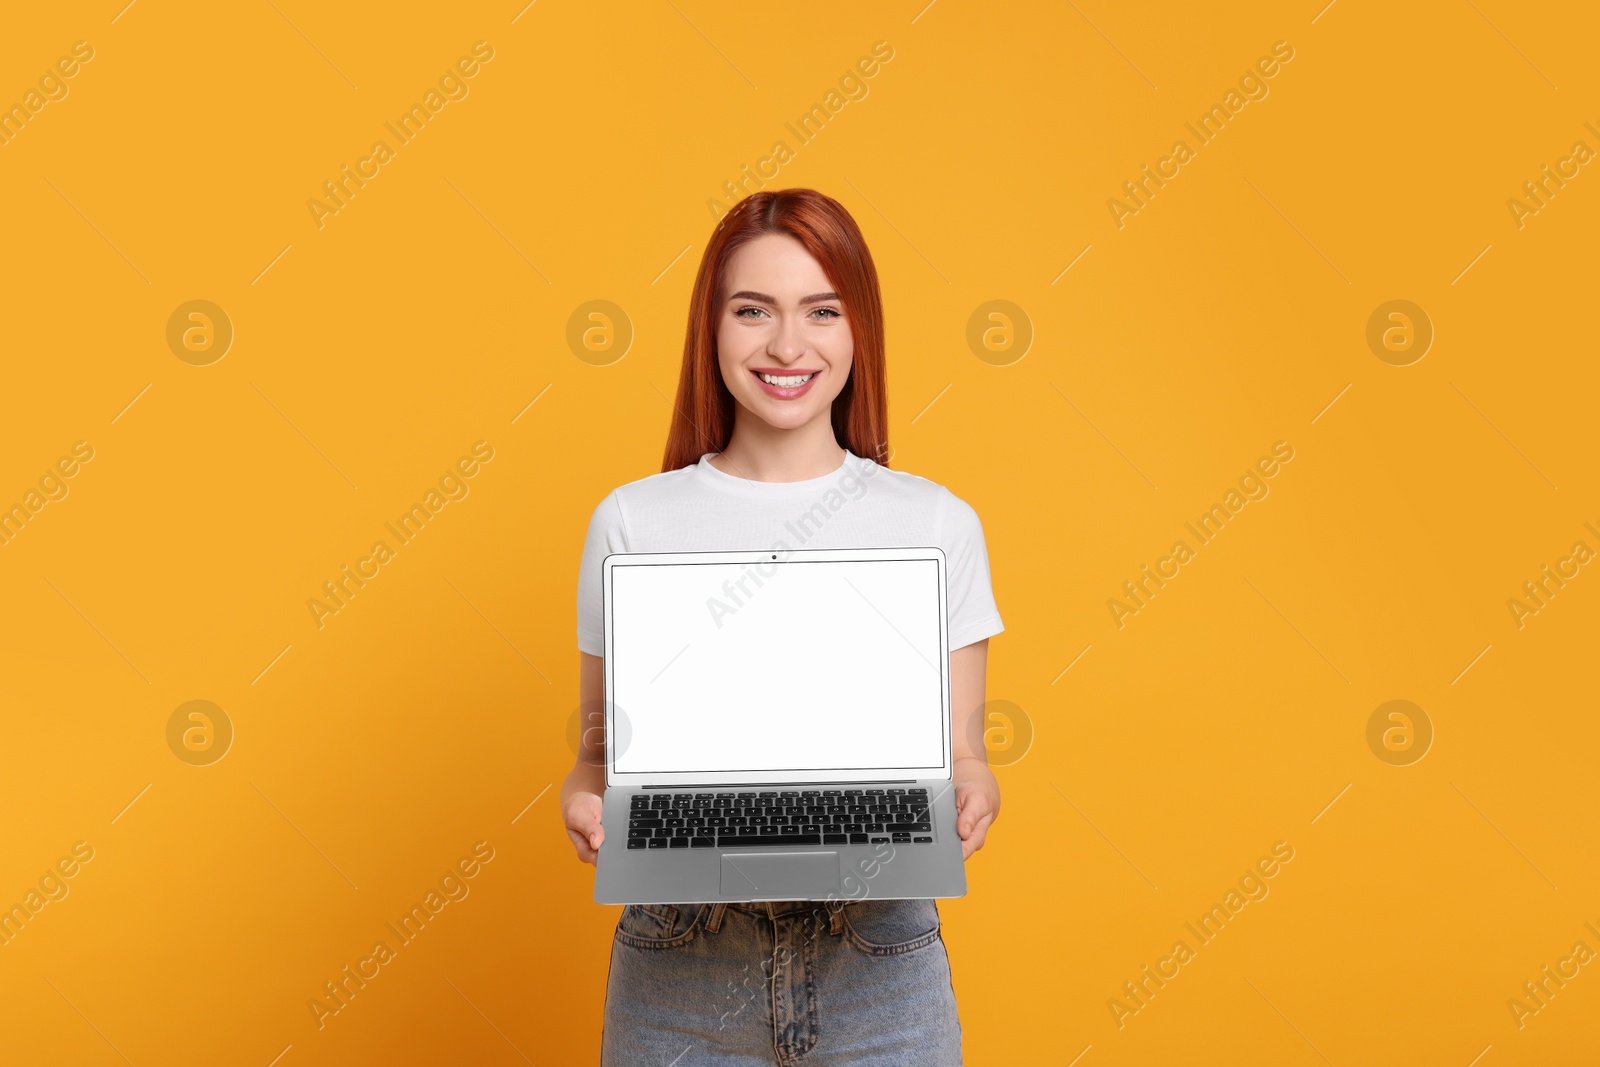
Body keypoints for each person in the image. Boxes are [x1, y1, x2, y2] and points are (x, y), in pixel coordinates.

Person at [562, 188, 1004, 1066]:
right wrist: (583, 797)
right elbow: (595, 754)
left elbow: (964, 757)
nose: (788, 346)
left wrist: (973, 790)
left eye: (821, 311)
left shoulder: (937, 523)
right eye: (753, 310)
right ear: (710, 327)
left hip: (881, 966)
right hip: (678, 969)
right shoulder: (631, 521)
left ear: (858, 329)